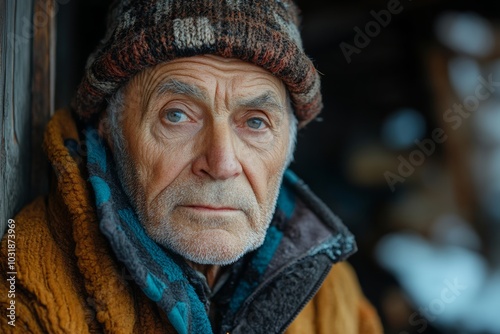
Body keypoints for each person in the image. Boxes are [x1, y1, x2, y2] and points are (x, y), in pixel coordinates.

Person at [0, 1, 383, 333]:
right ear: (107, 128)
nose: (221, 163)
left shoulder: (332, 294)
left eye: (255, 122)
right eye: (178, 115)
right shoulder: (26, 283)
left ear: (288, 148)